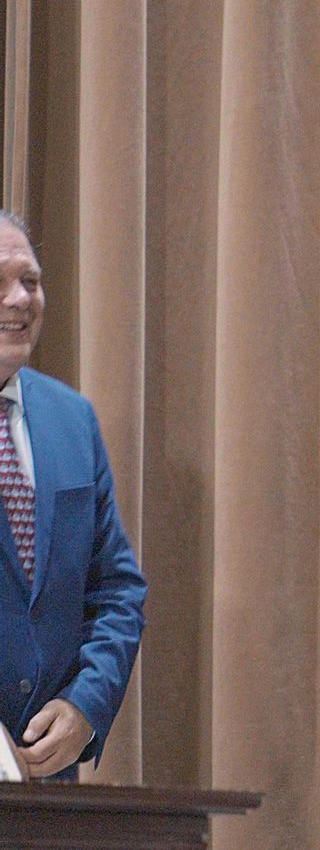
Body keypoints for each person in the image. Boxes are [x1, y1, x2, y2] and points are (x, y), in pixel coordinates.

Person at [0, 212, 146, 781]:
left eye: (30, 281)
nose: (18, 299)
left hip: (48, 789)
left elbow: (117, 590)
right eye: (0, 282)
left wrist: (87, 705)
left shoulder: (71, 418)